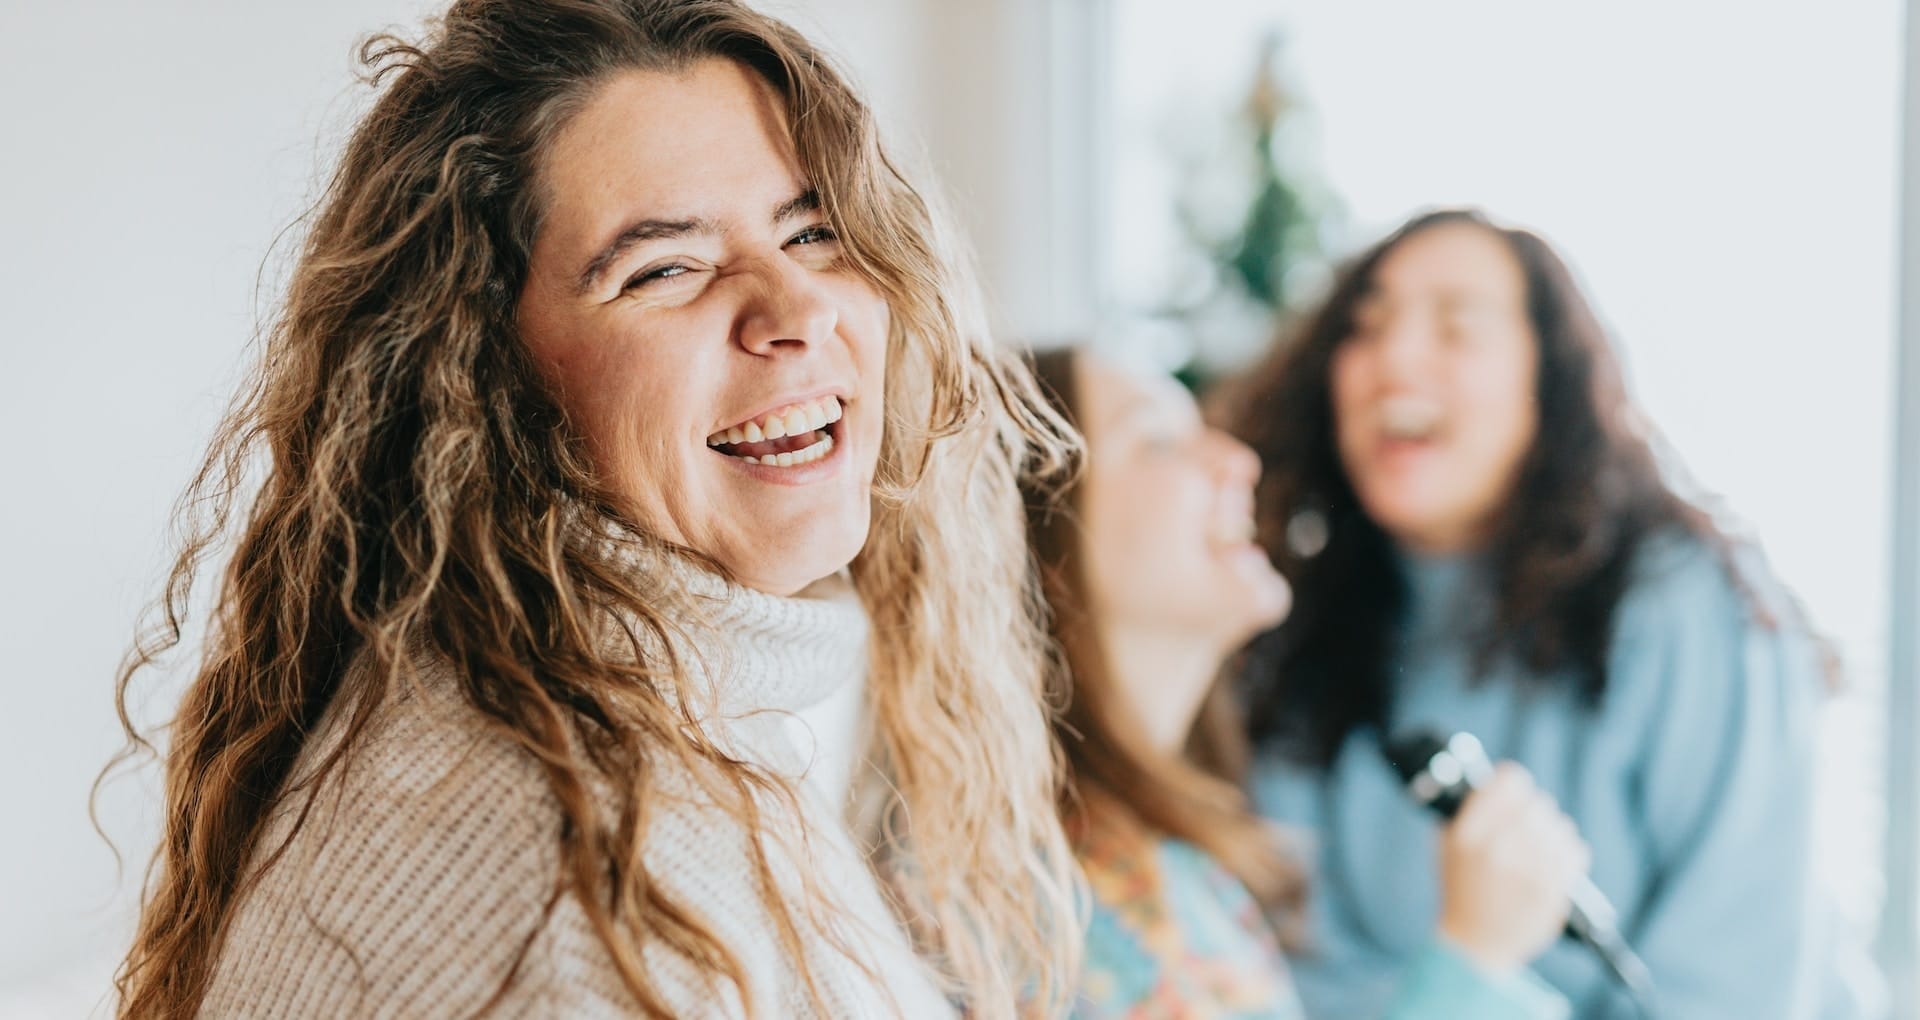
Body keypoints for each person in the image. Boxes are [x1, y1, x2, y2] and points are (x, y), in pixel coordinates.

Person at [106, 2, 1083, 1017]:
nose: (797, 311)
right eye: (666, 268)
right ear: (480, 375)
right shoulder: (579, 876)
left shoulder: (648, 739)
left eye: (815, 232)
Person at [1218, 208, 1875, 1018]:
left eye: (1456, 328)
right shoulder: (1295, 640)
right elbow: (1297, 983)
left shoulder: (1687, 607)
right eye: (1364, 327)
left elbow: (1738, 983)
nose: (1394, 359)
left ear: (1549, 383)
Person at [1022, 347, 1584, 1020]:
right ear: (1036, 535)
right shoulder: (1046, 901)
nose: (1237, 461)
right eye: (1158, 441)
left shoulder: (1166, 868)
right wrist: (1474, 959)